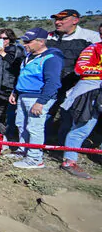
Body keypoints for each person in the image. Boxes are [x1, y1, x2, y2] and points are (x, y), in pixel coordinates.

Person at [8, 28, 63, 169]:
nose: (25, 44)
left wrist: (41, 102)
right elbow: (23, 76)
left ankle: (35, 158)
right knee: (21, 124)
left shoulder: (51, 58)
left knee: (34, 128)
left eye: (28, 42)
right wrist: (15, 92)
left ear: (41, 42)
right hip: (23, 95)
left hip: (37, 98)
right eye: (24, 41)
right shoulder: (29, 56)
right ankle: (23, 150)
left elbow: (53, 83)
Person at [46, 9, 101, 143]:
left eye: (62, 19)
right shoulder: (48, 36)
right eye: (56, 19)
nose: (57, 22)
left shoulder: (91, 36)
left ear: (75, 20)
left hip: (75, 84)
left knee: (69, 115)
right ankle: (43, 142)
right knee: (46, 111)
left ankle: (63, 144)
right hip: (51, 81)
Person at [59, 40, 102, 179]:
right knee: (81, 127)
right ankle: (69, 161)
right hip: (91, 90)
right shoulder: (94, 48)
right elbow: (80, 69)